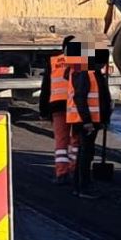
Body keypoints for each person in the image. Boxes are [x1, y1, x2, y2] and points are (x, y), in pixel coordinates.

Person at [66, 45, 112, 199]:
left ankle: (79, 185)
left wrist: (105, 118)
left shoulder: (94, 73)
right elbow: (80, 98)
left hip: (92, 121)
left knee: (85, 153)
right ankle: (83, 187)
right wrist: (87, 122)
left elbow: (102, 98)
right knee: (85, 154)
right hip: (86, 122)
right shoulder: (84, 74)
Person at [39, 35, 81, 184]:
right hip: (76, 107)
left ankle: (62, 173)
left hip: (58, 106)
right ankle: (76, 171)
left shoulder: (54, 62)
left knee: (61, 141)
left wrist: (43, 110)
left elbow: (46, 88)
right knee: (76, 140)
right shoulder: (82, 61)